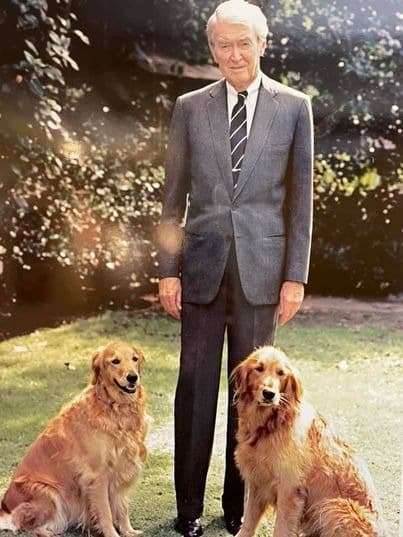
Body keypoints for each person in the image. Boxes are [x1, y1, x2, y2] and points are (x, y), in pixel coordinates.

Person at [157, 1, 313, 536]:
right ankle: (188, 510)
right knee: (195, 389)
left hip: (263, 274)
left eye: (244, 42)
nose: (234, 53)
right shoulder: (189, 107)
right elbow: (173, 197)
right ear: (213, 48)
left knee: (253, 398)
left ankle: (237, 507)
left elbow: (300, 203)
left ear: (262, 44)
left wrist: (295, 276)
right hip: (200, 270)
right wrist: (168, 270)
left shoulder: (294, 108)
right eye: (223, 44)